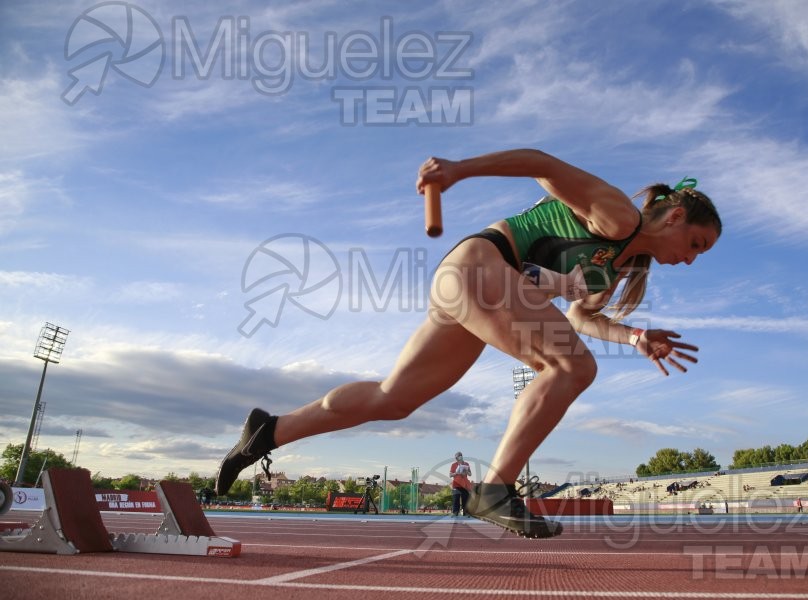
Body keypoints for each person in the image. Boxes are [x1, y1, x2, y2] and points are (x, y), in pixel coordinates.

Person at [214, 149, 722, 538]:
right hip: (480, 268)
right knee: (572, 368)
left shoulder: (611, 272)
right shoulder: (617, 217)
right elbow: (540, 164)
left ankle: (269, 430)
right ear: (675, 217)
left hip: (472, 288)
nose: (693, 259)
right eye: (697, 245)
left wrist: (634, 335)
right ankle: (495, 490)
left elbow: (582, 317)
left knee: (394, 399)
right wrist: (459, 170)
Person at [450, 451, 472, 517]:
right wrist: (456, 473)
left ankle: (466, 512)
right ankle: (455, 512)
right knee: (456, 498)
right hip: (456, 484)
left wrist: (466, 471)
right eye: (457, 456)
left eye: (460, 456)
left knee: (465, 498)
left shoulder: (466, 464)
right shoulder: (453, 465)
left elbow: (470, 474)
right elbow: (450, 475)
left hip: (465, 484)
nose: (459, 457)